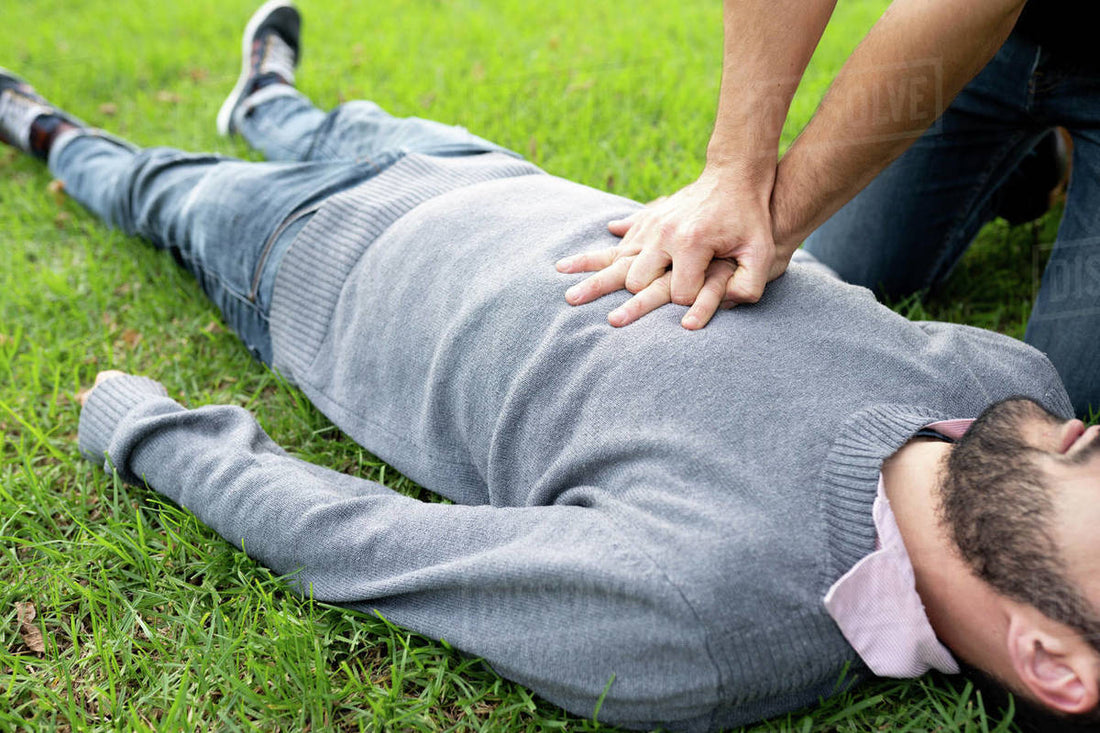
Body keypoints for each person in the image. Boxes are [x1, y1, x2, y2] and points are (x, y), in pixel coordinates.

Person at [2, 2, 1099, 730]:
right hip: (510, 185)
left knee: (160, 191)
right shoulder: (1013, 389)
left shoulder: (710, 620)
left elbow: (376, 546)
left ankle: (41, 125)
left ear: (1054, 662)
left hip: (329, 261)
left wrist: (153, 438)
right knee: (358, 123)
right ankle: (267, 102)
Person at [555, 0, 1099, 419]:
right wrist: (731, 172)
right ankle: (1031, 169)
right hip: (997, 48)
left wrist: (770, 229)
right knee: (854, 266)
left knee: (1057, 391)